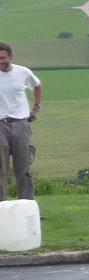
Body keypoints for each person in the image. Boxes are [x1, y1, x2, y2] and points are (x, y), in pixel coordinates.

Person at [0, 41, 42, 200]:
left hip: (20, 124)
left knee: (23, 168)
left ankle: (26, 207)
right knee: (0, 170)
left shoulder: (23, 72)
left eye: (3, 57)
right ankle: (1, 208)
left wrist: (36, 109)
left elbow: (37, 86)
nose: (0, 61)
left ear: (10, 56)